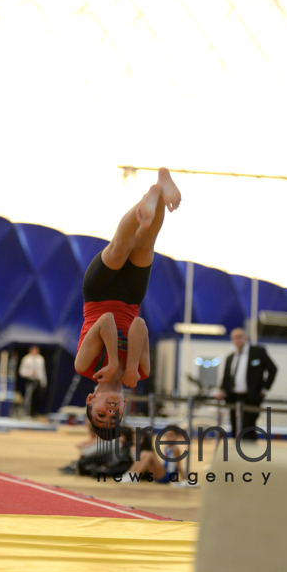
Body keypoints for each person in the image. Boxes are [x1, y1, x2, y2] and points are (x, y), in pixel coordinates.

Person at [74, 168, 182, 438]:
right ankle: (157, 191)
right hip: (132, 298)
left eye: (101, 414)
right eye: (115, 416)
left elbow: (106, 321)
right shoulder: (140, 372)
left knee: (120, 247)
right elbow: (139, 325)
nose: (110, 411)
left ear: (90, 399)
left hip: (98, 293)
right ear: (124, 407)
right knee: (145, 244)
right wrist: (130, 367)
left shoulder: (85, 365)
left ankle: (147, 201)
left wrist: (111, 362)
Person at [216, 328, 277, 441]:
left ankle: (250, 455)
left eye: (239, 337)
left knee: (248, 427)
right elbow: (226, 378)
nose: (237, 340)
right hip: (234, 397)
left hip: (251, 397)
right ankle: (238, 453)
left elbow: (273, 369)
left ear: (246, 338)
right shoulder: (230, 357)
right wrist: (222, 390)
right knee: (235, 428)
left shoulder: (258, 352)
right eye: (234, 338)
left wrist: (265, 388)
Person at [120, 426, 185, 484]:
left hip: (167, 476)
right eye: (167, 435)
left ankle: (134, 476)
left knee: (150, 454)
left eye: (171, 436)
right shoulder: (166, 448)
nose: (168, 438)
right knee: (144, 453)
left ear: (177, 436)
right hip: (162, 473)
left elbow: (178, 466)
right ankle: (130, 473)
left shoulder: (175, 449)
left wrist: (183, 480)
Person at [19, 346, 47, 417]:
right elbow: (21, 372)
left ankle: (34, 412)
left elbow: (42, 372)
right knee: (28, 397)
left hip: (38, 381)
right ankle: (26, 412)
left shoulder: (40, 359)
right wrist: (30, 373)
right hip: (29, 380)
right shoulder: (26, 359)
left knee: (38, 397)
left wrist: (43, 382)